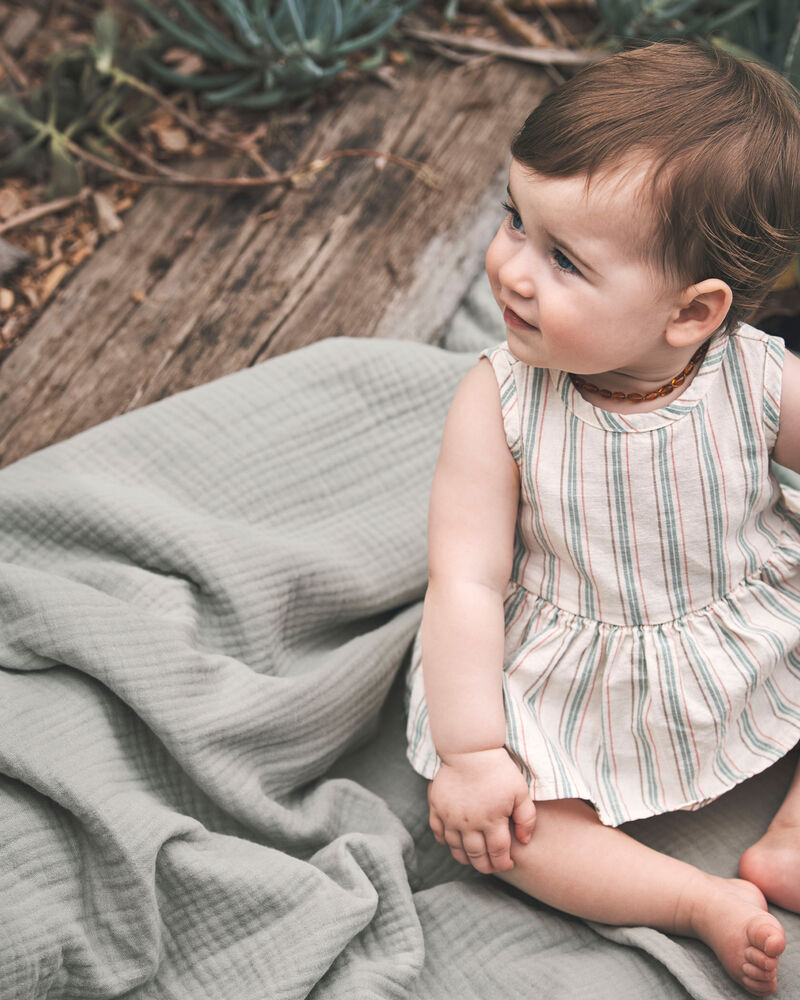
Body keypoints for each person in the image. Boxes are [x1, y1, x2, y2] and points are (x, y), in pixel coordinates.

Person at [405, 39, 800, 996]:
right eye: (515, 220)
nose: (512, 271)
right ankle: (692, 899)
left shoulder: (758, 378)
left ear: (691, 313)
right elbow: (465, 580)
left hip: (746, 622)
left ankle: (791, 836)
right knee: (507, 833)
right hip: (580, 665)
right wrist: (472, 752)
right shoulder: (498, 402)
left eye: (564, 260)